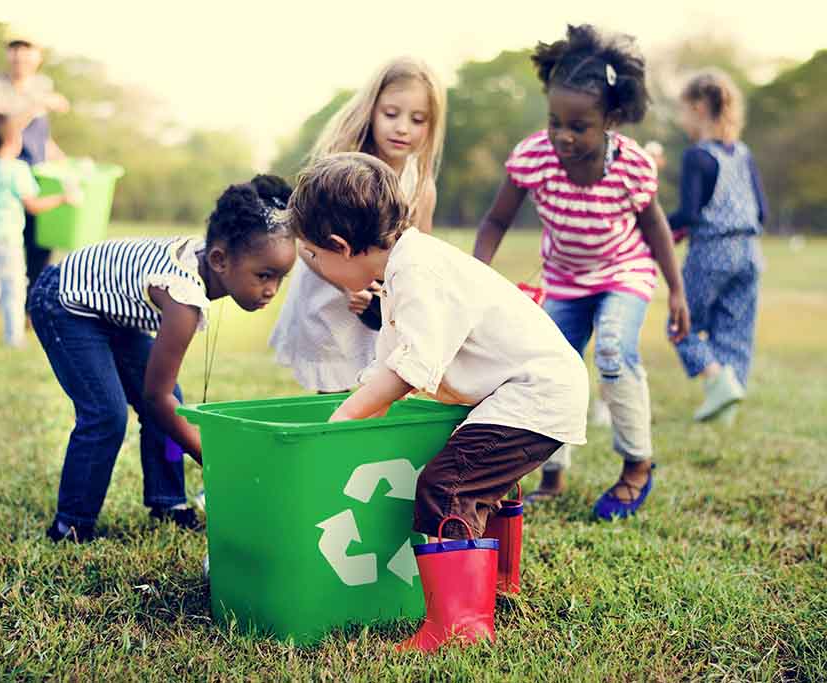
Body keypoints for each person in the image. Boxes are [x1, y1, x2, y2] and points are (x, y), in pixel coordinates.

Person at [285, 152, 588, 648]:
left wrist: (342, 419)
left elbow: (408, 369)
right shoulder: (409, 265)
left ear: (340, 246)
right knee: (480, 479)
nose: (315, 268)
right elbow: (389, 367)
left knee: (448, 487)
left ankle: (461, 627)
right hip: (526, 392)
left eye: (314, 257)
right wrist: (366, 410)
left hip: (534, 394)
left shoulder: (418, 272)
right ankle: (495, 589)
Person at [473, 24, 691, 520]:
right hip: (566, 280)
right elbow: (495, 220)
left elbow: (655, 228)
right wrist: (477, 277)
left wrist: (676, 290)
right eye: (555, 121)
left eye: (579, 125)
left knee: (613, 348)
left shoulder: (631, 166)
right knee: (550, 368)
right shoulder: (534, 157)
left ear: (611, 118)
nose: (563, 136)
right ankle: (553, 472)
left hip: (623, 271)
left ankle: (637, 465)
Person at [28, 176, 297, 542]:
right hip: (63, 302)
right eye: (264, 275)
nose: (271, 290)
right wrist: (208, 455)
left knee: (174, 404)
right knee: (107, 413)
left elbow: (163, 396)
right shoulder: (183, 297)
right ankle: (71, 525)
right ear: (219, 259)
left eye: (280, 278)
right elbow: (156, 397)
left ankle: (168, 502)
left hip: (108, 312)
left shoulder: (208, 261)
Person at [269, 57, 446, 392]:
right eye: (391, 114)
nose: (403, 127)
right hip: (328, 299)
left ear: (431, 126)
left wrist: (382, 296)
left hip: (379, 306)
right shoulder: (338, 170)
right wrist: (347, 286)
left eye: (418, 119)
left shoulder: (420, 186)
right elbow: (305, 243)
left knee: (377, 386)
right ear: (371, 110)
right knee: (333, 390)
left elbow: (418, 258)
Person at [668, 69, 767, 422]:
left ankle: (716, 382)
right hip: (749, 252)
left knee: (682, 325)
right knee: (735, 331)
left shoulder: (697, 156)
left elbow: (689, 214)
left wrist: (653, 225)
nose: (681, 120)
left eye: (681, 111)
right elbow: (763, 210)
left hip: (712, 251)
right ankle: (726, 410)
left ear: (697, 108)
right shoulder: (743, 153)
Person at [0, 114, 75, 347]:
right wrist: (64, 198)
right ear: (15, 140)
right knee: (13, 287)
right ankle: (14, 338)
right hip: (6, 238)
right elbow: (32, 205)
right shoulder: (17, 170)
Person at [0, 36, 70, 296]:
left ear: (38, 56)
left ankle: (32, 309)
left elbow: (40, 138)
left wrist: (65, 162)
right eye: (15, 49)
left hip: (38, 174)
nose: (20, 56)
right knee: (7, 243)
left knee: (40, 247)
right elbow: (3, 131)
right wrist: (37, 105)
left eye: (27, 50)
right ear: (8, 54)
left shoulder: (42, 84)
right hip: (5, 174)